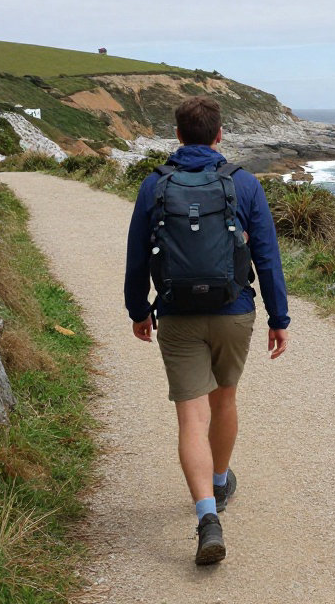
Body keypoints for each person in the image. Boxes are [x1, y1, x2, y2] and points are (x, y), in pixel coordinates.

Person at [124, 96, 290, 565]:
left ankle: (206, 517)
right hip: (234, 309)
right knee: (225, 400)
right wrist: (279, 318)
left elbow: (137, 256)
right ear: (220, 136)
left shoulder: (154, 185)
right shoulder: (243, 183)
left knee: (190, 418)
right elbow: (267, 257)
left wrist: (139, 310)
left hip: (176, 313)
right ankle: (219, 482)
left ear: (177, 136)